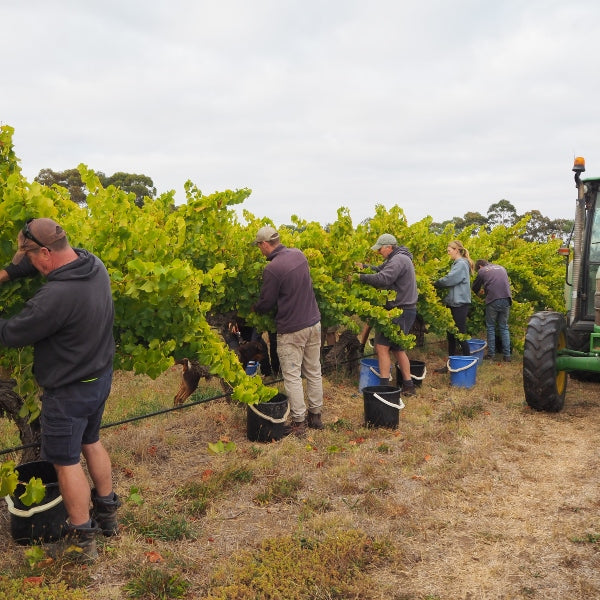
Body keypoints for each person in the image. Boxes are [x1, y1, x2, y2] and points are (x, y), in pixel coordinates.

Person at [0, 218, 119, 562]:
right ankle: (108, 516)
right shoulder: (92, 264)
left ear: (46, 252)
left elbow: (11, 334)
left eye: (29, 254)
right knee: (91, 442)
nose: (28, 261)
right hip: (98, 378)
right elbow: (36, 262)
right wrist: (10, 272)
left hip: (67, 392)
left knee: (66, 463)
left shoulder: (54, 297)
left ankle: (82, 542)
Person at [251, 225, 324, 436]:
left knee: (292, 375)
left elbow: (267, 302)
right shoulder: (299, 255)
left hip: (292, 329)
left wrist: (254, 308)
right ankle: (316, 416)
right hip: (313, 322)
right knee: (313, 370)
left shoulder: (273, 269)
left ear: (265, 244)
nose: (259, 250)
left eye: (259, 246)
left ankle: (299, 422)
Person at [355, 234, 418, 396]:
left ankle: (384, 388)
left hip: (399, 310)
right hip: (405, 309)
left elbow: (383, 278)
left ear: (389, 247)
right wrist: (364, 266)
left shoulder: (398, 260)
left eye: (380, 249)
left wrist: (359, 277)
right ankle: (409, 386)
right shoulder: (399, 258)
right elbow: (380, 270)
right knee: (398, 349)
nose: (378, 252)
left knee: (381, 347)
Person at [433, 240, 474, 359]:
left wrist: (435, 283)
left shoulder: (461, 264)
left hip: (459, 304)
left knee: (460, 334)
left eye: (449, 251)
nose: (448, 253)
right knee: (451, 334)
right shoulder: (457, 263)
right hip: (454, 303)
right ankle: (451, 363)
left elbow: (450, 279)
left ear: (456, 250)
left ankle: (467, 363)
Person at [472, 259, 512, 362]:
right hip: (507, 299)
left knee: (490, 327)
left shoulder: (482, 271)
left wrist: (474, 297)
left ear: (480, 266)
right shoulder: (501, 268)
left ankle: (491, 354)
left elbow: (475, 288)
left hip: (493, 300)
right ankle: (507, 355)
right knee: (504, 327)